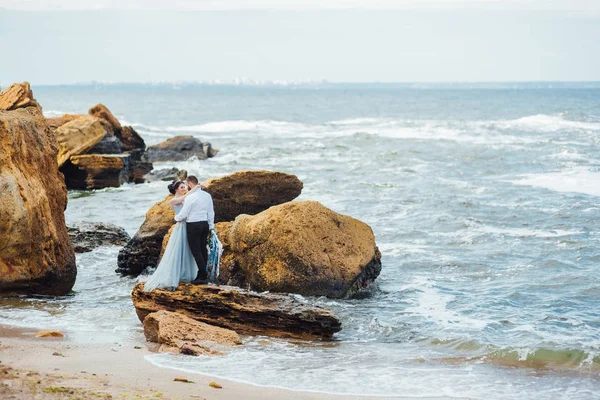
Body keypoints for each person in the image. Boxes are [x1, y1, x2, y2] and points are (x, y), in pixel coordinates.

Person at [143, 180, 198, 291]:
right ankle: (174, 276)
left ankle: (186, 274)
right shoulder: (173, 200)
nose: (184, 189)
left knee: (188, 250)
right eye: (182, 187)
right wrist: (193, 190)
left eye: (184, 187)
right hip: (181, 227)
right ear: (176, 189)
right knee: (178, 250)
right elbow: (181, 200)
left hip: (189, 225)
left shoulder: (186, 198)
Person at [174, 175, 215, 284]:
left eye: (187, 185)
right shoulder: (207, 195)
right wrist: (211, 226)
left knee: (196, 251)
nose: (187, 187)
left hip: (193, 225)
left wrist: (176, 218)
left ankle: (202, 276)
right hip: (205, 224)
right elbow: (211, 212)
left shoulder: (190, 197)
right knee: (203, 250)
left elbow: (184, 213)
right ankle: (201, 274)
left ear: (190, 184)